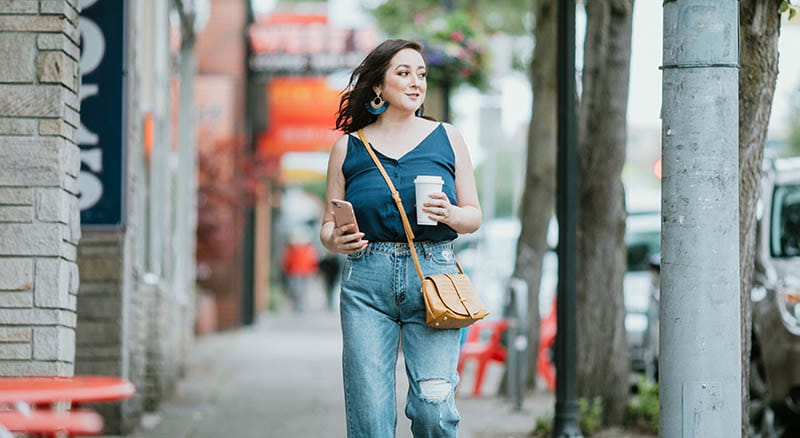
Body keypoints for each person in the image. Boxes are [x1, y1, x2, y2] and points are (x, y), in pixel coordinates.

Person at [319, 39, 482, 437]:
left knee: (433, 408)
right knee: (370, 417)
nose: (416, 82)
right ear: (378, 86)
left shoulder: (448, 137)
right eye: (403, 73)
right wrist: (335, 240)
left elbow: (474, 216)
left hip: (435, 276)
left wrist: (452, 214)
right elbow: (327, 226)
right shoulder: (348, 147)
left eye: (421, 74)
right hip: (366, 283)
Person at [282, 227, 319, 312]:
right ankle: (299, 304)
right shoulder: (293, 248)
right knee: (297, 289)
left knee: (301, 289)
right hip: (296, 271)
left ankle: (301, 305)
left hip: (303, 271)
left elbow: (312, 259)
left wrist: (314, 268)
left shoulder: (306, 248)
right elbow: (287, 259)